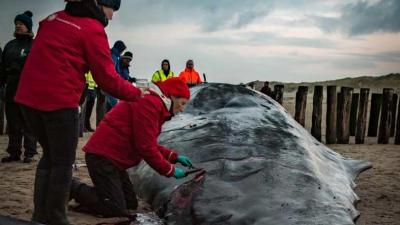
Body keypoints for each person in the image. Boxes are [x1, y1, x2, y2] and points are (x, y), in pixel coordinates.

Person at [14, 1, 148, 225]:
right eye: (112, 10)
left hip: (27, 99)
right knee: (62, 163)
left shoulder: (52, 19)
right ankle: (55, 217)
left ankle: (41, 215)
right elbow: (106, 79)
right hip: (58, 102)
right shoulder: (92, 28)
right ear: (99, 4)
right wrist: (137, 94)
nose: (112, 17)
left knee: (49, 157)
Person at [69, 77, 193, 218]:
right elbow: (145, 147)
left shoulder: (156, 103)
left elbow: (146, 141)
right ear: (172, 96)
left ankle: (104, 195)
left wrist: (174, 157)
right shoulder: (150, 103)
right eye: (182, 103)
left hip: (115, 161)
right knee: (115, 208)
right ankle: (71, 187)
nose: (182, 109)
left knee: (130, 203)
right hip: (103, 157)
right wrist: (169, 170)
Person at [0, 11, 37, 163]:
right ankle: (14, 152)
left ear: (28, 26)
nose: (18, 26)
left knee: (29, 123)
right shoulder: (10, 45)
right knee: (13, 123)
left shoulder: (34, 45)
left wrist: (20, 68)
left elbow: (38, 67)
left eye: (21, 24)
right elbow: (2, 67)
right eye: (16, 24)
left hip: (29, 91)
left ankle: (30, 152)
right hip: (11, 90)